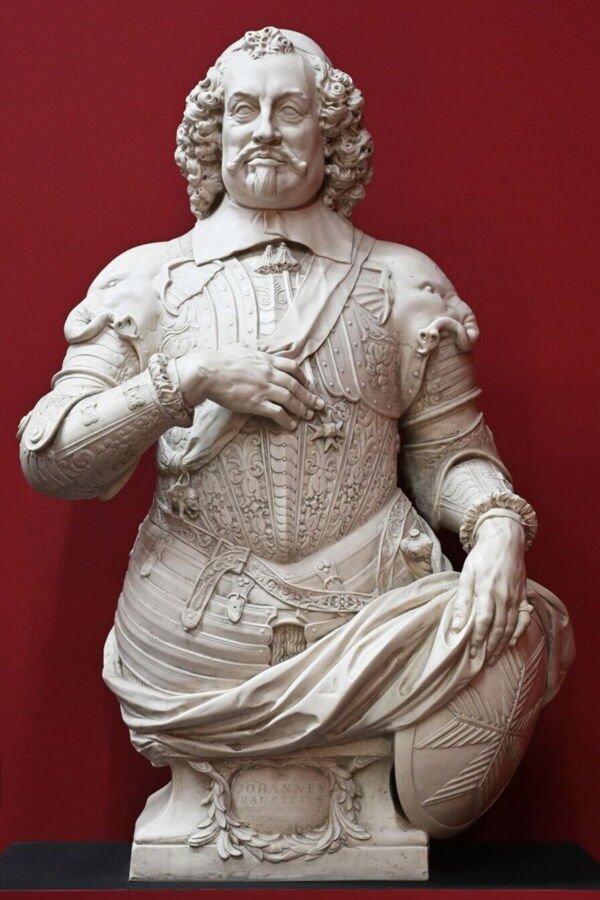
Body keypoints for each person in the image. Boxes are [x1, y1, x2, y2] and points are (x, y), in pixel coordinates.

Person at [19, 27, 572, 844]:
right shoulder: (145, 281)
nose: (265, 130)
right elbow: (51, 456)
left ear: (330, 133)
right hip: (192, 635)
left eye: (290, 110)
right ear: (215, 133)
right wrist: (189, 378)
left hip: (369, 618)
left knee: (513, 621)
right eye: (244, 111)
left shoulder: (403, 283)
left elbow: (451, 455)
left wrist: (495, 528)